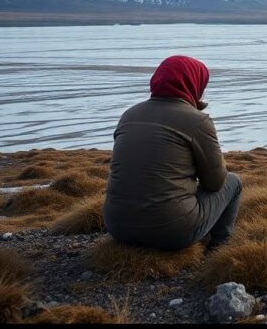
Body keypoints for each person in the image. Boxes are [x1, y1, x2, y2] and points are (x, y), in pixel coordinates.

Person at [103, 55, 242, 253]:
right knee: (233, 182)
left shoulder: (129, 114)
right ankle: (219, 246)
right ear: (195, 83)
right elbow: (215, 183)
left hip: (117, 226)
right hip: (171, 232)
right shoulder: (197, 121)